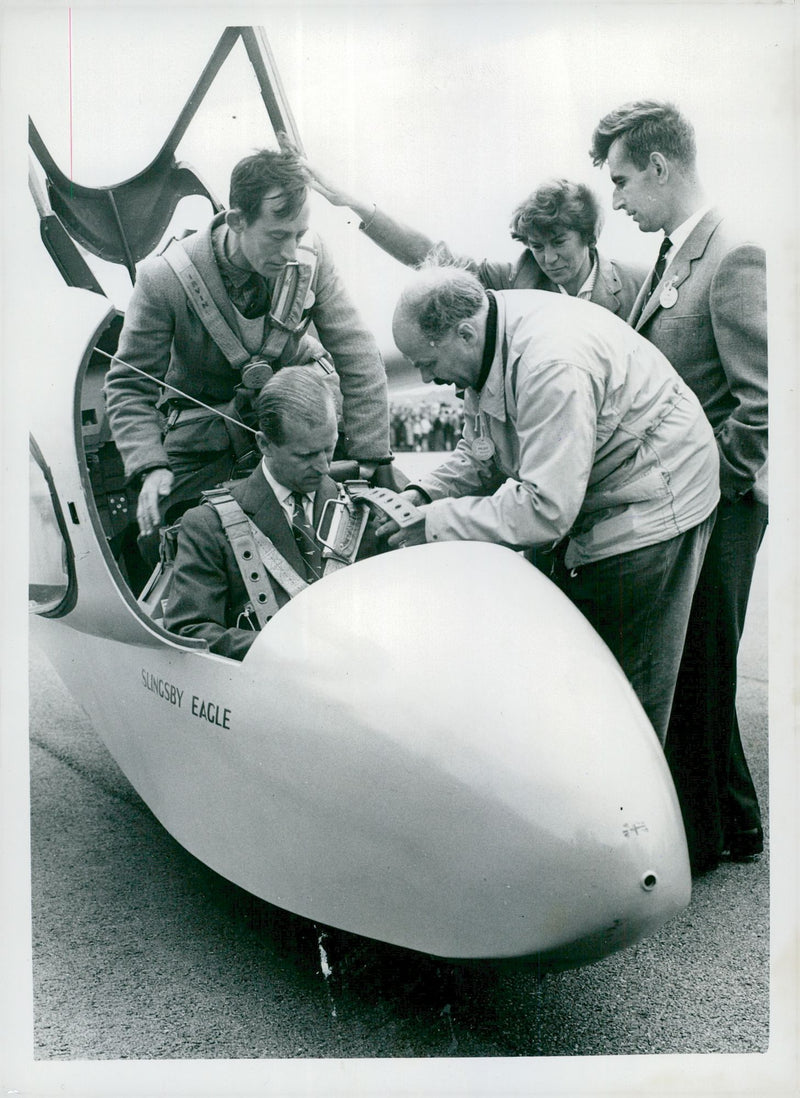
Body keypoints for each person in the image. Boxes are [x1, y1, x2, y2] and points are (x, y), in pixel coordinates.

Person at [379, 265, 719, 745]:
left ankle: (621, 807)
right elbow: (481, 452)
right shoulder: (484, 335)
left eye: (425, 361)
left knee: (624, 695)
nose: (424, 376)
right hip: (600, 488)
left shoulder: (548, 363)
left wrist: (434, 523)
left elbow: (546, 508)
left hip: (652, 502)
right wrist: (422, 494)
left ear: (463, 332)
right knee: (569, 668)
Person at [589, 100, 768, 872]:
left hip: (718, 506)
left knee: (698, 666)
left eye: (624, 180)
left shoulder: (733, 255)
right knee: (701, 664)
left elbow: (763, 404)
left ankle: (698, 843)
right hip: (694, 502)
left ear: (662, 166)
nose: (618, 200)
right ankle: (735, 825)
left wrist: (706, 489)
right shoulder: (670, 256)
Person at [104, 147, 393, 544]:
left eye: (299, 234)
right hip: (210, 440)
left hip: (304, 427)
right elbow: (128, 386)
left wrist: (369, 455)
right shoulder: (162, 280)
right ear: (237, 221)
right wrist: (149, 466)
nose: (291, 252)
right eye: (277, 236)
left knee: (381, 527)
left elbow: (357, 353)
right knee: (176, 541)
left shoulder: (312, 258)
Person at [284, 138, 644, 317]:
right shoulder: (517, 278)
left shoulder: (641, 285)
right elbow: (432, 257)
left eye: (559, 242)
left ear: (589, 235)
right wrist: (355, 204)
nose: (548, 258)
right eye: (536, 246)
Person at [163, 370, 375, 661]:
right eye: (305, 455)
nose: (324, 467)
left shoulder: (360, 506)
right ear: (264, 444)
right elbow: (190, 630)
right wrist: (288, 649)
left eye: (329, 449)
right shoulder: (207, 525)